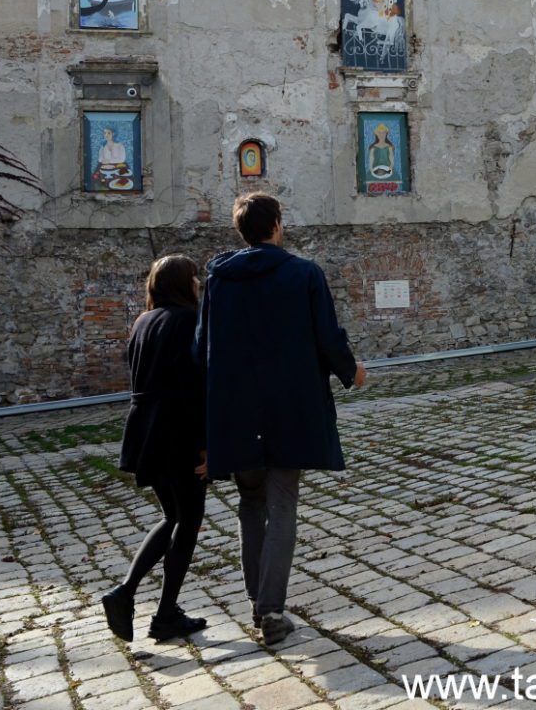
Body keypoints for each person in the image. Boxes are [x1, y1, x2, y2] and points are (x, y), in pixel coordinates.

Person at [198, 192, 366, 647]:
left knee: (250, 503)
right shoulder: (304, 273)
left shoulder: (218, 281)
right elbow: (326, 336)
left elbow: (202, 349)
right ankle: (270, 610)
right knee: (282, 504)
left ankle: (260, 600)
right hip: (290, 407)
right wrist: (352, 371)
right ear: (276, 224)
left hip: (235, 411)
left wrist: (205, 420)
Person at [101, 255, 209, 643]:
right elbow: (192, 388)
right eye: (194, 277)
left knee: (173, 516)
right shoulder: (187, 321)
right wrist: (204, 446)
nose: (199, 283)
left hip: (146, 429)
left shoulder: (143, 321)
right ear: (184, 283)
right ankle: (159, 611)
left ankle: (132, 595)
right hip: (177, 430)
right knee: (189, 519)